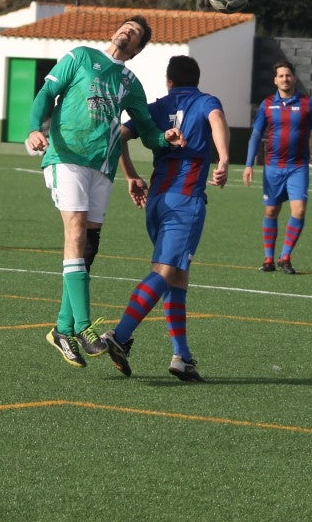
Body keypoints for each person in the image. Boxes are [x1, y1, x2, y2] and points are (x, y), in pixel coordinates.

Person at [25, 16, 183, 369]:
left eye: (136, 33)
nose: (127, 31)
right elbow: (47, 93)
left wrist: (163, 139)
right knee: (76, 231)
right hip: (67, 156)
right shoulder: (80, 56)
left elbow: (145, 127)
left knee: (89, 245)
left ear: (138, 49)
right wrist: (34, 128)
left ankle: (62, 327)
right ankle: (82, 327)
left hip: (103, 166)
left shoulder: (129, 81)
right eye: (126, 26)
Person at [101, 55, 229, 383]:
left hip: (157, 200)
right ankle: (120, 334)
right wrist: (224, 159)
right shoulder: (206, 101)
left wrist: (131, 175)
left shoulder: (155, 108)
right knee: (165, 271)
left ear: (169, 81)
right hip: (184, 201)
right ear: (196, 80)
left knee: (177, 276)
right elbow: (216, 120)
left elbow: (118, 135)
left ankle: (182, 357)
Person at [242, 60, 312, 273]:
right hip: (272, 168)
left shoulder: (307, 104)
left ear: (294, 78)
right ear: (275, 80)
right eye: (281, 76)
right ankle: (268, 259)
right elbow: (255, 134)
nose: (285, 79)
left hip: (298, 167)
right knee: (271, 211)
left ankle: (285, 256)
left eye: (288, 75)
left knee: (298, 211)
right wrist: (248, 164)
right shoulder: (267, 104)